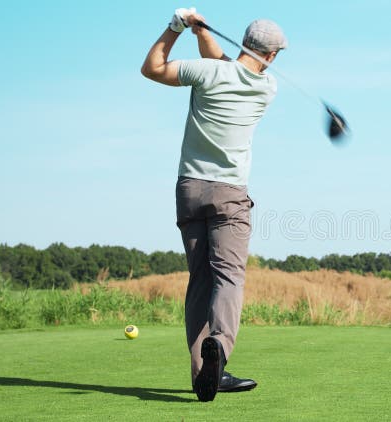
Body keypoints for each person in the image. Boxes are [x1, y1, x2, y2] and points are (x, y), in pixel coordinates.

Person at [140, 7, 287, 402]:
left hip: (189, 190)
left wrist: (178, 27)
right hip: (229, 195)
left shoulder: (207, 73)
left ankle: (203, 374)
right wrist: (201, 33)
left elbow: (152, 68)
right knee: (228, 276)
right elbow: (225, 62)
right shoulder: (266, 88)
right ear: (270, 56)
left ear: (244, 43)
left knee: (200, 282)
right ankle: (218, 349)